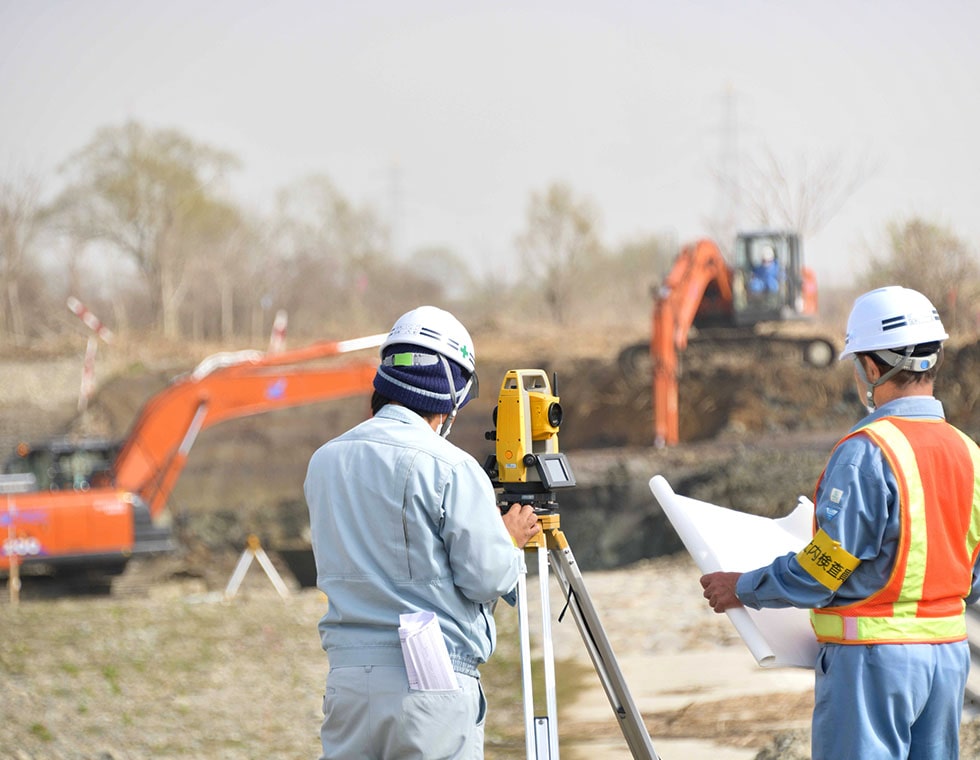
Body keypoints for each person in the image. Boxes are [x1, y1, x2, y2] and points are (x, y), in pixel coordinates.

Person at [700, 285, 980, 760]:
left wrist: (743, 586)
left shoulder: (868, 451)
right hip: (949, 660)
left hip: (873, 666)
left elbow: (824, 569)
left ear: (872, 367)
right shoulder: (969, 454)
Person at [304, 305, 540, 760]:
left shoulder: (325, 460)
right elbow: (487, 578)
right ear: (450, 396)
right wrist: (508, 538)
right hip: (430, 674)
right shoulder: (450, 466)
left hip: (348, 680)